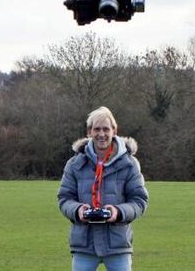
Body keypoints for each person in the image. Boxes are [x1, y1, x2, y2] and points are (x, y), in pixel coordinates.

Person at [58, 106, 148, 271]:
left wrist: (118, 212)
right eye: (96, 129)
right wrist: (77, 210)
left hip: (117, 244)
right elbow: (64, 199)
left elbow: (139, 201)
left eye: (106, 129)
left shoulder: (129, 164)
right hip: (84, 244)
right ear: (89, 132)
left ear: (114, 130)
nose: (101, 134)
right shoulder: (74, 164)